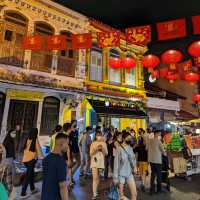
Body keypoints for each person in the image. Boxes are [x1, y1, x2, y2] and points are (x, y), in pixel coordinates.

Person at [42, 133, 69, 200]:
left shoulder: (46, 158)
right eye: (67, 143)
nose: (68, 146)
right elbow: (62, 186)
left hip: (45, 196)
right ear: (61, 143)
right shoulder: (60, 161)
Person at [20, 128, 43, 199]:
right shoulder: (35, 140)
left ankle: (32, 189)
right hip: (31, 161)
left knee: (31, 174)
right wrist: (44, 157)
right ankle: (23, 193)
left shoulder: (27, 139)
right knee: (28, 176)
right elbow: (39, 151)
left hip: (25, 161)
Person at [113, 132, 137, 200]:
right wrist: (115, 178)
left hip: (129, 174)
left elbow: (133, 159)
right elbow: (116, 164)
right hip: (121, 175)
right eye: (128, 138)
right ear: (123, 138)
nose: (130, 139)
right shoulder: (119, 149)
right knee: (121, 196)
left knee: (134, 193)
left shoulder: (130, 148)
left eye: (130, 138)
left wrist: (135, 167)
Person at [146, 130, 166, 195]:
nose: (160, 134)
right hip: (157, 160)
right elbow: (163, 151)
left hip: (151, 160)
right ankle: (159, 189)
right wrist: (164, 152)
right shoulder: (159, 141)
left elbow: (146, 149)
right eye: (159, 133)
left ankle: (151, 190)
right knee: (159, 175)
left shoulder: (150, 141)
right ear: (156, 134)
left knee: (153, 175)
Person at [90, 131, 108, 199]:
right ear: (95, 136)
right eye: (97, 135)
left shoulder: (104, 143)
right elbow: (90, 154)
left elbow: (106, 153)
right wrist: (96, 149)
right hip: (94, 162)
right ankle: (94, 194)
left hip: (101, 162)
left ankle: (96, 189)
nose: (99, 136)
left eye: (100, 135)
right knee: (95, 178)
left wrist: (102, 148)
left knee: (98, 177)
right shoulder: (93, 143)